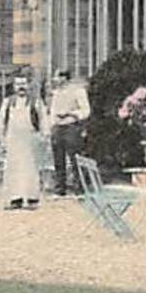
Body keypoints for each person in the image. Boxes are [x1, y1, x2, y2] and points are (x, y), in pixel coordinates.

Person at [0, 75, 44, 210]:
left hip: (30, 139)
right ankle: (14, 198)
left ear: (28, 85)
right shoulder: (8, 102)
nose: (21, 87)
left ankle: (31, 198)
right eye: (18, 84)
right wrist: (1, 138)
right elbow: (1, 121)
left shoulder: (36, 102)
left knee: (30, 168)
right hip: (13, 140)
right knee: (13, 168)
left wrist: (43, 136)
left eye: (23, 83)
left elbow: (42, 120)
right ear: (14, 86)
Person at [47, 68, 90, 197]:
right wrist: (52, 125)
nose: (56, 80)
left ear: (65, 78)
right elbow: (53, 111)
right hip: (58, 128)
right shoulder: (56, 93)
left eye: (59, 77)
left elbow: (86, 111)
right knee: (58, 159)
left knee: (75, 159)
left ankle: (79, 188)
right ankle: (60, 188)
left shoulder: (78, 91)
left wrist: (71, 113)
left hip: (72, 127)